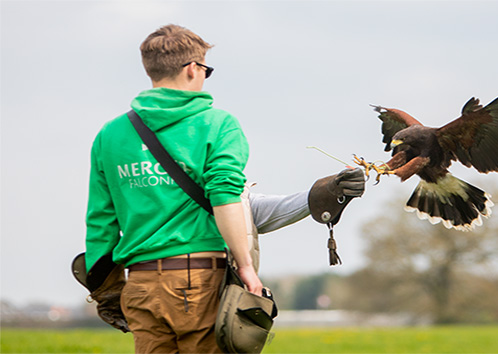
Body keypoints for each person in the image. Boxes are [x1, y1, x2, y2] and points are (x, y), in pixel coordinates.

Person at [83, 24, 365, 354]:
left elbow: (100, 222)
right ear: (192, 68)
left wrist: (105, 289)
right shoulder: (216, 124)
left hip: (141, 285)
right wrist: (247, 270)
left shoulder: (110, 135)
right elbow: (226, 200)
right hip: (198, 282)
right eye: (205, 69)